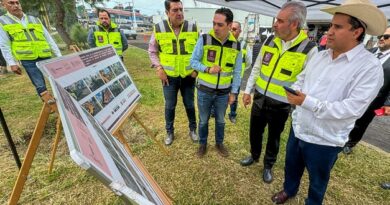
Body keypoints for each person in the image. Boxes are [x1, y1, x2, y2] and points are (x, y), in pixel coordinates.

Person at [271, 0, 386, 204]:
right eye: (331, 25)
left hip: (325, 139)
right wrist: (297, 93)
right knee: (291, 166)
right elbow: (301, 78)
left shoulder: (369, 68)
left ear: (357, 32)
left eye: (337, 27)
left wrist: (306, 101)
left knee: (318, 179)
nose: (329, 31)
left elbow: (352, 109)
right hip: (299, 127)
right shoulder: (321, 56)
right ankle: (289, 189)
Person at [240, 1, 317, 184]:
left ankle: (268, 165)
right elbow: (257, 67)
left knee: (274, 137)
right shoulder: (269, 40)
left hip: (281, 105)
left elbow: (308, 82)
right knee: (254, 132)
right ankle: (254, 155)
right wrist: (247, 90)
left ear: (294, 24)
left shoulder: (309, 50)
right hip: (260, 99)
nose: (275, 24)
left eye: (280, 21)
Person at [190, 7, 242, 158]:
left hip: (223, 93)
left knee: (220, 121)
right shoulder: (205, 39)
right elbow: (193, 61)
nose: (215, 27)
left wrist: (234, 93)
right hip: (204, 90)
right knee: (204, 120)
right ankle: (202, 144)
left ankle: (219, 143)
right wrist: (207, 69)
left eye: (220, 24)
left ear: (229, 25)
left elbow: (237, 72)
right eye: (214, 23)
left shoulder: (236, 45)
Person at [148, 0, 199, 145]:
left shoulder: (193, 27)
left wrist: (196, 70)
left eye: (181, 9)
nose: (179, 13)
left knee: (189, 104)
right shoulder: (159, 28)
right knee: (170, 105)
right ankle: (169, 132)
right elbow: (152, 52)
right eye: (175, 10)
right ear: (167, 13)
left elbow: (202, 51)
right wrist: (159, 68)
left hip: (189, 76)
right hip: (168, 78)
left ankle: (193, 129)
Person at [343, 27, 390, 154]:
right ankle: (340, 136)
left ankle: (350, 143)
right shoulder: (369, 52)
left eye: (386, 37)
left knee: (362, 122)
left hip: (375, 99)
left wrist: (387, 104)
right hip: (354, 92)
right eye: (381, 35)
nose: (381, 39)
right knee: (347, 115)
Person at [0, 0, 61, 97]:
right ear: (3, 5)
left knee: (59, 79)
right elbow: (4, 44)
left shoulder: (34, 19)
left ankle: (66, 104)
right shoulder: (2, 21)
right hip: (28, 59)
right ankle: (51, 106)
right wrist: (11, 63)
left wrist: (59, 55)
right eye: (11, 3)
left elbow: (49, 38)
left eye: (17, 3)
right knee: (40, 86)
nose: (15, 5)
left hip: (46, 55)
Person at [227, 21, 252, 123]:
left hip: (237, 77)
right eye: (230, 29)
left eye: (234, 29)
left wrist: (240, 70)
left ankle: (232, 114)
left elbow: (249, 62)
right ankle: (214, 112)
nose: (231, 31)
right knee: (219, 94)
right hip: (224, 76)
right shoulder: (225, 42)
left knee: (235, 96)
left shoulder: (244, 46)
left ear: (240, 31)